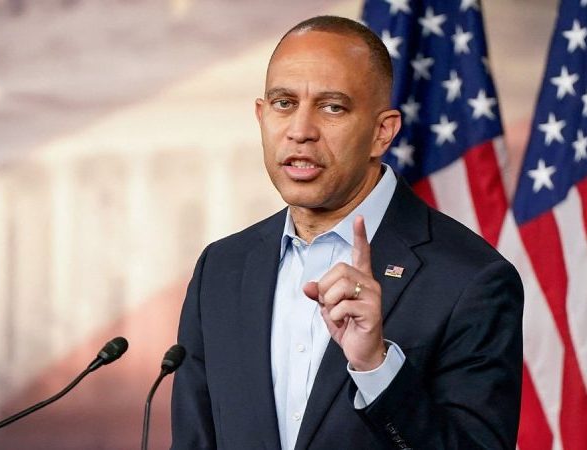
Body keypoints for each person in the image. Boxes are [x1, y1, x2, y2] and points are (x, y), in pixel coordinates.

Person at [170, 16, 523, 450]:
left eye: (332, 107)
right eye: (284, 103)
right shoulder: (221, 269)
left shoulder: (471, 279)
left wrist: (377, 368)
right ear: (261, 116)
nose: (300, 131)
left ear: (381, 132)